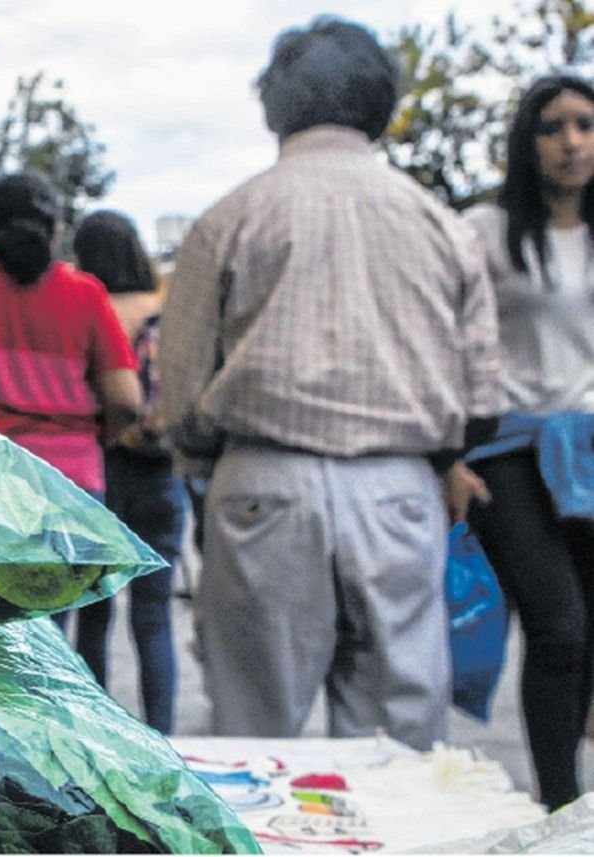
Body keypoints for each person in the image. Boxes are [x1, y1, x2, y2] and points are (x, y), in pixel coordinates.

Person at [157, 16, 502, 751]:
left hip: (263, 483)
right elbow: (481, 402)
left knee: (254, 737)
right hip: (399, 490)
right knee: (397, 745)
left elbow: (182, 396)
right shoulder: (441, 223)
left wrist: (200, 459)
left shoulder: (229, 218)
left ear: (275, 104)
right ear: (381, 104)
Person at [454, 73, 594, 809]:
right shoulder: (483, 231)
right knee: (559, 625)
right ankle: (561, 806)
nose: (572, 141)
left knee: (589, 635)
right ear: (527, 139)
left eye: (584, 124)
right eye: (553, 126)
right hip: (507, 452)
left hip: (591, 453)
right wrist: (446, 455)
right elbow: (446, 339)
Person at [0, 170, 141, 503]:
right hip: (71, 483)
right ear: (57, 232)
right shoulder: (86, 295)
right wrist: (95, 439)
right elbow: (125, 400)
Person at [67, 209, 185, 734]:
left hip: (101, 464)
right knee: (154, 617)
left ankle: (99, 736)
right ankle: (162, 735)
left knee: (95, 612)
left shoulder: (86, 306)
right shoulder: (167, 308)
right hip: (162, 470)